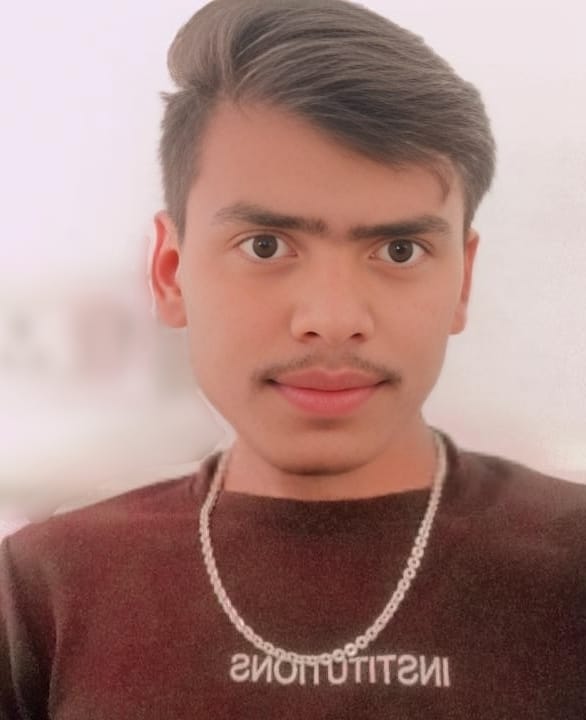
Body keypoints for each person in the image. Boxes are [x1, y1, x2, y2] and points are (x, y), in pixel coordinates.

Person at [1, 1, 585, 717]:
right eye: (266, 246)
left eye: (400, 250)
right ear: (170, 272)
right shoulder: (45, 589)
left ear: (461, 281)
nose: (333, 320)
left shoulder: (571, 574)